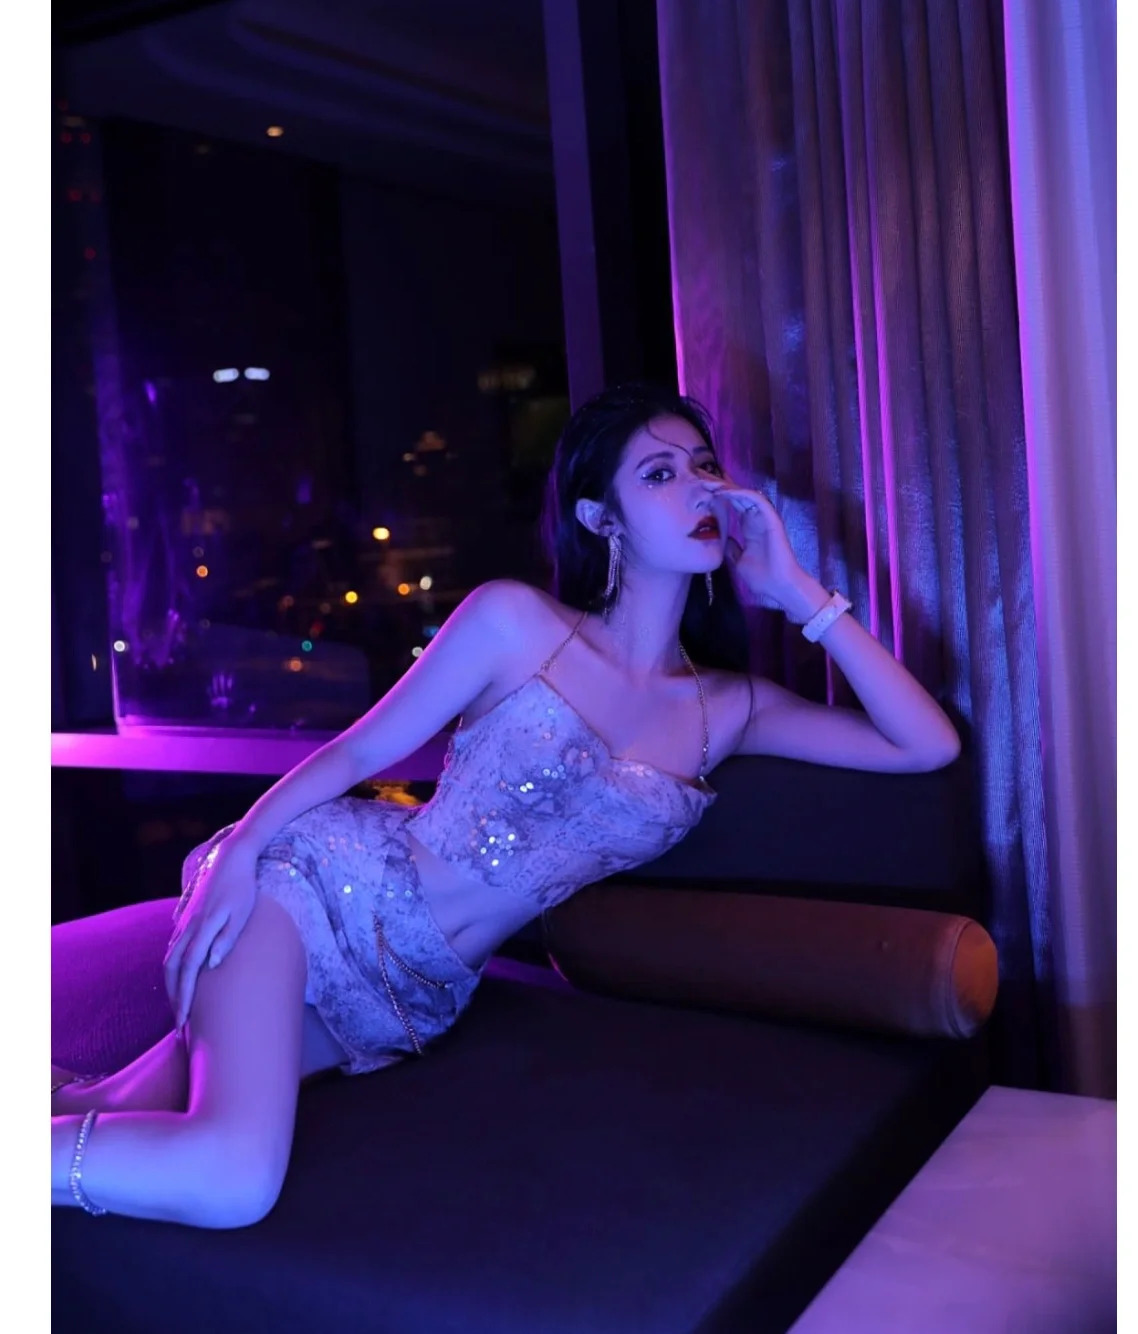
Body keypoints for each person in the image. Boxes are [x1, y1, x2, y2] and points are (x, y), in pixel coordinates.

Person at [52, 381, 960, 1227]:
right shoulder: (515, 622)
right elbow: (362, 749)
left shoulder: (729, 710)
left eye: (705, 466)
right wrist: (241, 853)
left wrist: (797, 592)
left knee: (101, 1105)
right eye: (660, 473)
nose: (700, 489)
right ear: (599, 517)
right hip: (317, 893)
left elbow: (926, 745)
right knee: (232, 1179)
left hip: (414, 997)